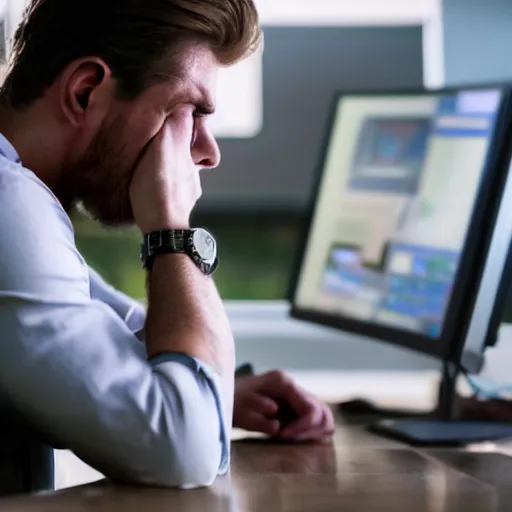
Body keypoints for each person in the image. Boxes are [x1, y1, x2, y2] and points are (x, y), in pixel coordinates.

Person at [0, 0, 334, 490]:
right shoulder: (9, 205)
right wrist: (173, 231)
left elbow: (119, 332)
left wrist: (219, 391)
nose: (207, 150)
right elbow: (184, 449)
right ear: (86, 90)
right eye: (191, 111)